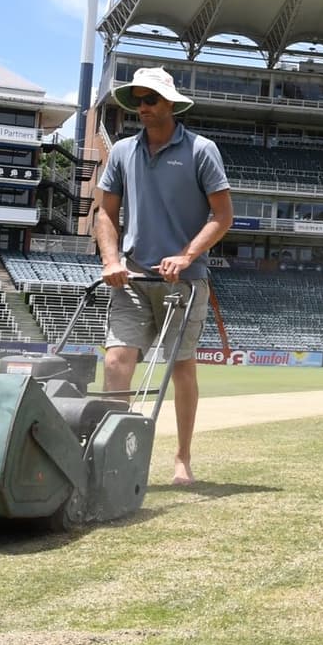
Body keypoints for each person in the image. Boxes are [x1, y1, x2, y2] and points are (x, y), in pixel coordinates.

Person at [92, 67, 233, 485]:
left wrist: (187, 255)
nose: (143, 108)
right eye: (137, 100)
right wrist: (110, 260)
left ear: (169, 103)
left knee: (181, 367)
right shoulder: (121, 152)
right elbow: (106, 214)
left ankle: (182, 458)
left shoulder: (201, 150)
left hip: (183, 281)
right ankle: (112, 456)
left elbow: (222, 216)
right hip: (131, 276)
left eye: (150, 100)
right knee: (117, 360)